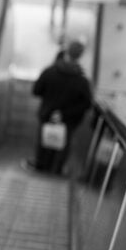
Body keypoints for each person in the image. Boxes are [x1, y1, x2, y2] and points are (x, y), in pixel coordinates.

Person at [24, 39, 93, 175]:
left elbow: (36, 90)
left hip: (47, 114)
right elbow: (86, 103)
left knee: (44, 142)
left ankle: (41, 167)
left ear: (66, 52)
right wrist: (64, 113)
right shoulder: (81, 80)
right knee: (62, 146)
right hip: (68, 120)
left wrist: (51, 103)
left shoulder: (50, 71)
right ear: (80, 56)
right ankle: (56, 170)